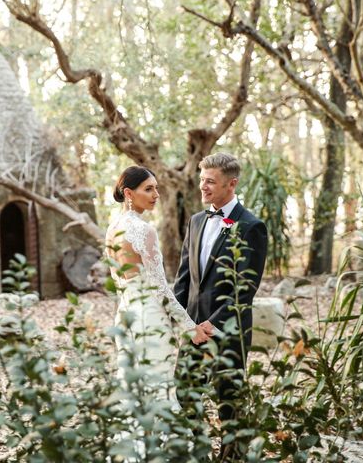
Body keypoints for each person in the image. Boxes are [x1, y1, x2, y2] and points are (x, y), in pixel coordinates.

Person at [174, 152, 268, 423]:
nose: (203, 186)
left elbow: (245, 289)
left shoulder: (252, 227)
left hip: (228, 332)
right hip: (191, 330)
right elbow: (184, 279)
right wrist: (182, 322)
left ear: (231, 184)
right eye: (202, 180)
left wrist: (210, 327)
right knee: (184, 395)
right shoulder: (196, 221)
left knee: (229, 406)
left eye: (211, 181)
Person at [105, 166, 208, 411]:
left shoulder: (111, 229)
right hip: (149, 318)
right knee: (158, 388)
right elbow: (160, 288)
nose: (156, 195)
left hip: (125, 316)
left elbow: (119, 281)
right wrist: (191, 327)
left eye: (156, 189)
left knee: (134, 388)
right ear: (128, 193)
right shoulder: (144, 230)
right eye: (148, 189)